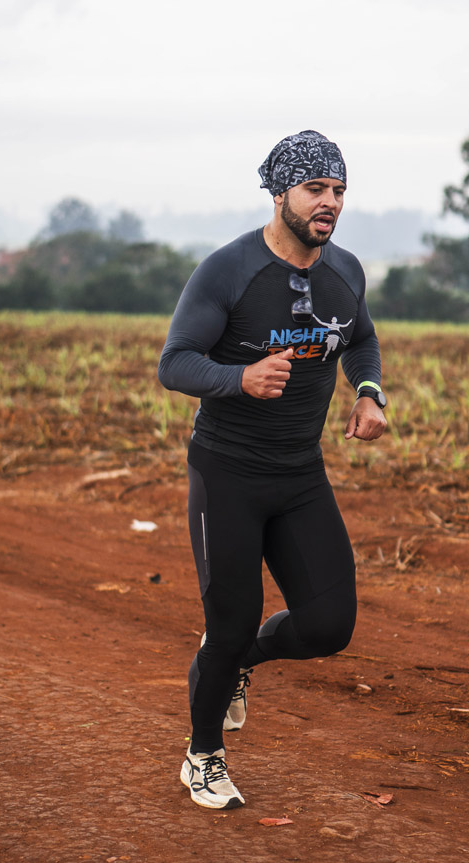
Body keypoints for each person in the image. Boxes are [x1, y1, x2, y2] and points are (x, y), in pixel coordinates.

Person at [158, 130, 387, 810]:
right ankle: (203, 757)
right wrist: (240, 377)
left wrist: (368, 391)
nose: (330, 202)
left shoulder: (344, 272)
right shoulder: (228, 270)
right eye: (316, 189)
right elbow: (175, 362)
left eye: (339, 190)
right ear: (281, 192)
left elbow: (360, 337)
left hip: (299, 475)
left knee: (329, 625)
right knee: (231, 622)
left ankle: (237, 661)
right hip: (226, 473)